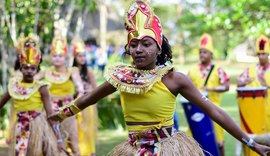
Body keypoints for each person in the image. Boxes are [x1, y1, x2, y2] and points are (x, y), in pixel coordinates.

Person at [48, 1, 270, 155]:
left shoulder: (175, 79)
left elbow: (215, 111)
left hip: (167, 150)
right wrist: (57, 116)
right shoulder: (122, 77)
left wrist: (250, 142)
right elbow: (88, 99)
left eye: (146, 44)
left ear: (159, 48)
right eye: (133, 45)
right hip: (133, 150)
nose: (138, 50)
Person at [0, 36, 65, 156]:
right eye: (26, 67)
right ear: (20, 68)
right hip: (20, 126)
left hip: (39, 127)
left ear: (37, 69)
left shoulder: (41, 87)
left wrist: (59, 139)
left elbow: (51, 115)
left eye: (33, 68)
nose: (29, 71)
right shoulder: (14, 85)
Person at [35, 35, 84, 156]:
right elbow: (32, 83)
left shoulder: (71, 71)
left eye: (60, 56)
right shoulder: (46, 72)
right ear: (51, 57)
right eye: (55, 56)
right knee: (51, 146)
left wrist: (76, 104)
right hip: (50, 115)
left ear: (65, 57)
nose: (57, 58)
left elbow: (81, 89)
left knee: (74, 145)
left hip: (68, 114)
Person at [187, 33, 230, 156]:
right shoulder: (192, 70)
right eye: (200, 52)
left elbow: (226, 86)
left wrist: (210, 89)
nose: (202, 54)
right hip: (197, 111)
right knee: (193, 142)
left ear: (211, 54)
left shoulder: (218, 70)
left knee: (219, 143)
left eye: (205, 52)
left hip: (214, 111)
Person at [237, 34, 270, 132]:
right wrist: (243, 82)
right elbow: (239, 83)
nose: (260, 56)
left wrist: (267, 86)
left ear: (268, 54)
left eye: (263, 54)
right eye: (259, 54)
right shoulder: (251, 69)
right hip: (254, 110)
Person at [72, 37, 97, 156]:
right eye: (79, 56)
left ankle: (90, 152)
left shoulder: (89, 71)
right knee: (78, 129)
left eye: (83, 56)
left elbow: (95, 88)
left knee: (88, 130)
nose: (82, 58)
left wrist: (87, 91)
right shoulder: (71, 71)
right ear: (75, 58)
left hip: (88, 104)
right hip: (76, 103)